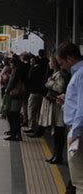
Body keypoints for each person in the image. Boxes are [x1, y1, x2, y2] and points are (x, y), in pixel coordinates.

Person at [56, 41, 83, 192]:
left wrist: (75, 133)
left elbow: (82, 109)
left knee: (79, 179)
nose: (62, 67)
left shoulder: (80, 75)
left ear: (70, 58)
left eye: (61, 63)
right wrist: (67, 101)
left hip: (78, 130)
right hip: (77, 129)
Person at [39, 55, 70, 164]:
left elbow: (60, 88)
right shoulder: (55, 74)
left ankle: (58, 156)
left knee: (58, 132)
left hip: (59, 107)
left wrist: (49, 83)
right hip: (56, 106)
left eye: (51, 62)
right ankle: (56, 155)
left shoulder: (60, 75)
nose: (49, 64)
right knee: (56, 133)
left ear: (55, 63)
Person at [4, 54, 27, 141]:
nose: (10, 65)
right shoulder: (21, 68)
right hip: (20, 94)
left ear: (13, 63)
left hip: (15, 95)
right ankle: (16, 134)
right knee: (15, 115)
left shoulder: (16, 70)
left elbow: (11, 82)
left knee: (13, 115)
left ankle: (15, 134)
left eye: (11, 64)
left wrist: (7, 90)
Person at [25, 55, 47, 137]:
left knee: (31, 109)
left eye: (31, 62)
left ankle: (32, 127)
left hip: (34, 92)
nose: (30, 63)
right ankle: (37, 125)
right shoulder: (42, 69)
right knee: (38, 111)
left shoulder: (33, 69)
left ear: (34, 62)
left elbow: (29, 78)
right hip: (41, 92)